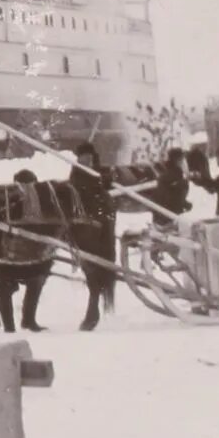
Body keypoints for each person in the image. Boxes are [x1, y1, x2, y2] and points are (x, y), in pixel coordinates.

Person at [0, 169, 56, 333]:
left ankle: (10, 326)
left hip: (6, 261)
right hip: (33, 262)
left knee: (3, 289)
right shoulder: (42, 204)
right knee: (35, 282)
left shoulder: (6, 201)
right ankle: (28, 320)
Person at [70, 142, 118, 331]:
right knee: (94, 265)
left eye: (89, 157)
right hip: (93, 219)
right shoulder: (78, 172)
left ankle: (95, 306)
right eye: (84, 157)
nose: (87, 160)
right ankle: (95, 306)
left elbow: (105, 183)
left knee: (97, 265)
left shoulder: (95, 170)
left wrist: (103, 178)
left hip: (98, 220)